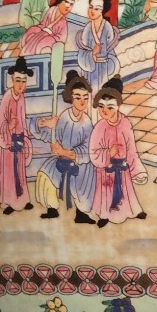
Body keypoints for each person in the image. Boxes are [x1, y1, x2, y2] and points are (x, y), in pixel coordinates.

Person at [31, 72, 98, 223]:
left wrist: (65, 152)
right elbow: (49, 134)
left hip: (80, 164)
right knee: (45, 174)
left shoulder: (87, 123)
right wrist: (47, 124)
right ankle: (52, 209)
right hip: (61, 160)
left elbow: (87, 150)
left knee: (85, 181)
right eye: (78, 97)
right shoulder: (64, 117)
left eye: (85, 97)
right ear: (71, 97)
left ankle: (81, 213)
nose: (82, 101)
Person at [87, 78, 147, 225]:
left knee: (126, 191)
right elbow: (93, 152)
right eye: (101, 106)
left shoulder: (125, 123)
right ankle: (104, 215)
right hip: (106, 169)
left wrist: (138, 171)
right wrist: (108, 153)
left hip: (123, 168)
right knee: (106, 193)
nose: (105, 111)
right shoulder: (99, 127)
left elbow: (131, 149)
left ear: (118, 106)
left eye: (110, 107)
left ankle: (133, 211)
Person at [0, 57, 34, 214]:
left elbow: (23, 120)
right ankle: (8, 202)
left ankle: (22, 200)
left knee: (20, 171)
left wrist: (25, 136)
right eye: (18, 81)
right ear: (12, 80)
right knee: (9, 172)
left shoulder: (22, 98)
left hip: (19, 139)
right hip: (8, 142)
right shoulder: (7, 97)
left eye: (24, 81)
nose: (21, 85)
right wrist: (8, 127)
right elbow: (0, 121)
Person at [75, 0, 119, 89]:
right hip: (90, 68)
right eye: (91, 7)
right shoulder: (87, 28)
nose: (92, 11)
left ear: (103, 10)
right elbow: (83, 50)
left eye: (97, 8)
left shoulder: (107, 27)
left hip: (104, 67)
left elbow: (111, 50)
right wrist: (92, 53)